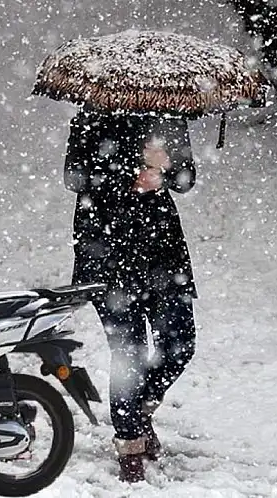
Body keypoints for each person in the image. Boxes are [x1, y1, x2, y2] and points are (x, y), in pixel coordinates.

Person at [64, 107, 198, 482]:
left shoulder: (170, 117)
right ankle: (129, 446)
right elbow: (75, 178)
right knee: (129, 355)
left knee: (180, 343)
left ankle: (138, 414)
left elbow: (186, 180)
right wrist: (131, 172)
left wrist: (165, 168)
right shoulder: (90, 118)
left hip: (162, 255)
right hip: (107, 253)